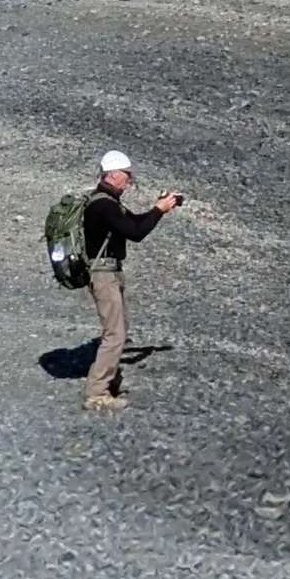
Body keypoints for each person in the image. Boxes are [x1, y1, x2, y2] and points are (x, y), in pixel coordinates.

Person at [75, 151, 184, 411]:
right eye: (127, 176)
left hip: (110, 272)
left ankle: (109, 380)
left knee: (119, 327)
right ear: (113, 175)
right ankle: (97, 392)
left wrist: (158, 209)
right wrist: (158, 211)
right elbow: (136, 233)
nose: (130, 181)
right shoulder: (104, 205)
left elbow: (133, 222)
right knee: (115, 333)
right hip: (103, 274)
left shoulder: (107, 201)